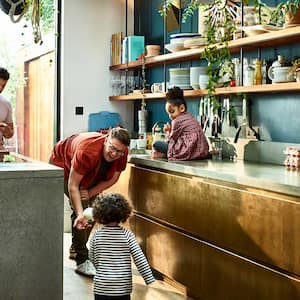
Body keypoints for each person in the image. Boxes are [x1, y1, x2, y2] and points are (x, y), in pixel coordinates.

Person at [49, 127, 130, 276]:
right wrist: (80, 213)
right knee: (84, 212)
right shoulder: (87, 150)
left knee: (93, 211)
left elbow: (114, 178)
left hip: (90, 174)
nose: (114, 154)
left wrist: (91, 192)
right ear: (106, 139)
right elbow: (73, 185)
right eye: (112, 148)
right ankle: (81, 260)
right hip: (62, 164)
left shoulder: (121, 152)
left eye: (119, 151)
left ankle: (75, 248)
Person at [89, 193, 155, 300]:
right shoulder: (127, 235)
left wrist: (101, 269)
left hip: (102, 286)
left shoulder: (97, 235)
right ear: (123, 213)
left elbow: (92, 256)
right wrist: (149, 278)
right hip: (122, 287)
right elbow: (139, 258)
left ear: (99, 214)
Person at [152, 86, 209, 160]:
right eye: (168, 113)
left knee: (156, 144)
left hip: (187, 150)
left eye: (172, 112)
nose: (170, 116)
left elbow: (171, 140)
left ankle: (163, 154)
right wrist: (170, 130)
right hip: (201, 151)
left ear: (182, 108)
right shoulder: (189, 116)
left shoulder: (177, 121)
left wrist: (167, 133)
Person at [0, 67, 14, 151]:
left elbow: (10, 134)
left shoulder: (6, 104)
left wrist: (6, 129)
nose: (0, 88)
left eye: (3, 85)